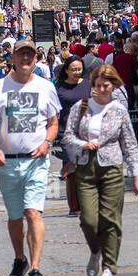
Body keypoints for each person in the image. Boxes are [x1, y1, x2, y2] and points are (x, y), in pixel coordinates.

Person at [0, 38, 61, 276]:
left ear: (36, 59)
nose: (26, 59)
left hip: (36, 160)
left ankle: (36, 269)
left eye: (30, 55)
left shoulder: (46, 87)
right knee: (15, 217)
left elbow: (53, 122)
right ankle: (20, 259)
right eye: (21, 55)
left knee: (33, 212)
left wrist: (48, 142)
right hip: (8, 160)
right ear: (13, 59)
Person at [62, 65, 138, 276]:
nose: (100, 90)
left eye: (105, 86)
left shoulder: (119, 110)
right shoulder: (81, 108)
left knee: (111, 220)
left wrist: (137, 176)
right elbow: (67, 137)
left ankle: (109, 266)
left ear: (113, 86)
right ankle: (95, 250)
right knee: (88, 220)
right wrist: (83, 143)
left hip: (112, 167)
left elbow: (130, 144)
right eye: (97, 85)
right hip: (85, 166)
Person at [54, 56, 89, 214]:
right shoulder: (59, 87)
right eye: (73, 69)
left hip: (87, 132)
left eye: (79, 69)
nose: (77, 72)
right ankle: (74, 207)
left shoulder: (88, 84)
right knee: (72, 168)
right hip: (66, 132)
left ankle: (87, 203)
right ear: (66, 70)